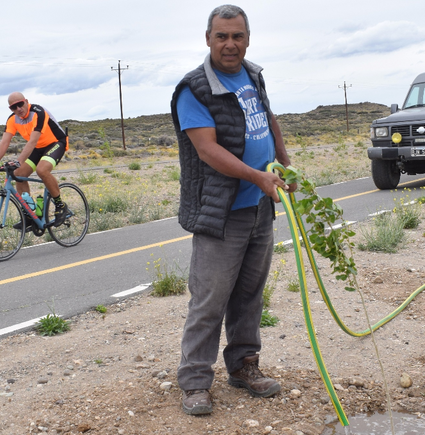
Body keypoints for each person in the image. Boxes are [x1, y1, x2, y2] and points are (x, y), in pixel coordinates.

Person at [169, 4, 295, 416]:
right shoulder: (195, 89)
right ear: (208, 39)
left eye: (237, 36)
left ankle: (243, 365)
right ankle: (194, 382)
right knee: (209, 299)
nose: (230, 44)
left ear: (247, 38)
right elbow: (207, 150)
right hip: (220, 212)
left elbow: (267, 117)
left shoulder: (253, 74)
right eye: (222, 36)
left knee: (249, 295)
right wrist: (257, 177)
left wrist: (283, 164)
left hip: (260, 207)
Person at [0, 92, 71, 227]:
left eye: (20, 104)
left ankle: (60, 205)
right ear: (11, 109)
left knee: (42, 170)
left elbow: (32, 141)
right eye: (14, 107)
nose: (18, 108)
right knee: (18, 174)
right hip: (38, 148)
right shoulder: (12, 119)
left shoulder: (38, 112)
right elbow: (4, 142)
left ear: (26, 101)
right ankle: (30, 213)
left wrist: (18, 161)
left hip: (56, 143)